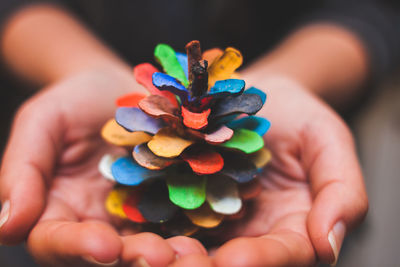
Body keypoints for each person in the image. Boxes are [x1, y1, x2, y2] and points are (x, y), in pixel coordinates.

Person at [0, 1, 398, 266]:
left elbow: (375, 9)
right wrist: (73, 65)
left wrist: (298, 77)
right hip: (69, 182)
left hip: (290, 188)